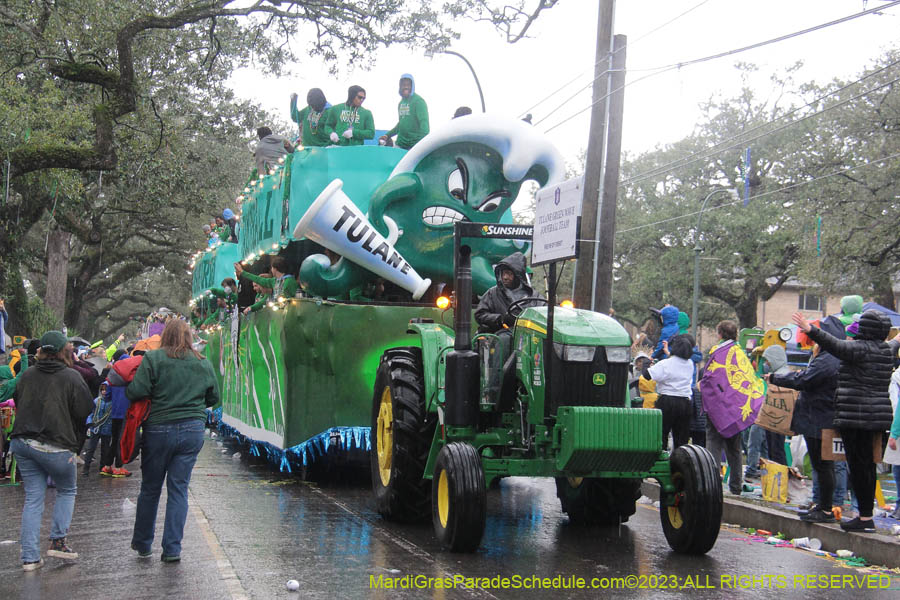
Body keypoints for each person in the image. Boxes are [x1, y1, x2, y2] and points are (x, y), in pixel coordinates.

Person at [793, 309, 900, 532]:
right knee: (869, 467)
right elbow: (895, 343)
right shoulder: (886, 351)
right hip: (878, 418)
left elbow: (834, 344)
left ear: (865, 329)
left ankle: (864, 520)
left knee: (858, 467)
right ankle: (866, 516)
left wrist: (810, 329)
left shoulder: (858, 349)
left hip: (854, 418)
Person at [127, 320, 219, 561]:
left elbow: (137, 391)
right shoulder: (202, 362)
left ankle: (143, 543)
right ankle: (172, 549)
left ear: (164, 336)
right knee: (179, 489)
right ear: (189, 337)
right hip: (192, 430)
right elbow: (214, 397)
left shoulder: (153, 359)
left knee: (150, 488)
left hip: (158, 428)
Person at [9, 330, 93, 570]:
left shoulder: (27, 375)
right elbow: (85, 409)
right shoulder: (71, 377)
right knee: (67, 490)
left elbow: (16, 398)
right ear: (64, 351)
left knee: (33, 499)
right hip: (56, 445)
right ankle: (58, 542)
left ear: (41, 350)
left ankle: (30, 558)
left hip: (23, 443)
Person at [766, 315, 843, 523]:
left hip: (820, 418)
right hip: (819, 417)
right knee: (821, 465)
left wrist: (776, 378)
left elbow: (806, 379)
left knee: (823, 465)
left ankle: (825, 509)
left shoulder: (829, 358)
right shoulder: (831, 356)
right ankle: (822, 505)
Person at [700, 320, 764, 496]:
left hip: (718, 406)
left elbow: (710, 378)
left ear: (719, 334)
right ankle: (735, 486)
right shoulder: (740, 353)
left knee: (713, 443)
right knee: (734, 449)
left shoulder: (716, 352)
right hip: (736, 408)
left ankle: (712, 484)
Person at [642, 334, 696, 450]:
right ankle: (680, 462)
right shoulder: (690, 364)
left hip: (667, 401)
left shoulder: (665, 364)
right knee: (681, 437)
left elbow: (647, 375)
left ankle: (662, 457)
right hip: (685, 402)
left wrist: (646, 363)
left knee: (662, 433)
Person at [474, 252, 541, 334]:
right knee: (504, 339)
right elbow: (479, 315)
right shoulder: (492, 293)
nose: (505, 277)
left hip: (527, 336)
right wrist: (500, 319)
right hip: (499, 335)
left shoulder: (534, 296)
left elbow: (546, 315)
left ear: (518, 275)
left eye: (509, 274)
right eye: (503, 273)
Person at [380, 74, 429, 150]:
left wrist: (419, 145)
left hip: (413, 146)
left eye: (408, 85)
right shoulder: (401, 103)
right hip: (400, 144)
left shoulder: (418, 101)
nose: (405, 87)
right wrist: (387, 135)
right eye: (403, 85)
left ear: (412, 86)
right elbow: (401, 124)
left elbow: (425, 126)